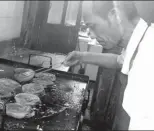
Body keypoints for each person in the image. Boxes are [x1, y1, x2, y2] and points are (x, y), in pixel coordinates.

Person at [63, 1, 154, 130]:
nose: (92, 35)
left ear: (115, 14)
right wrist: (81, 56)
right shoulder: (141, 31)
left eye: (93, 26)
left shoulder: (149, 52)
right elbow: (119, 61)